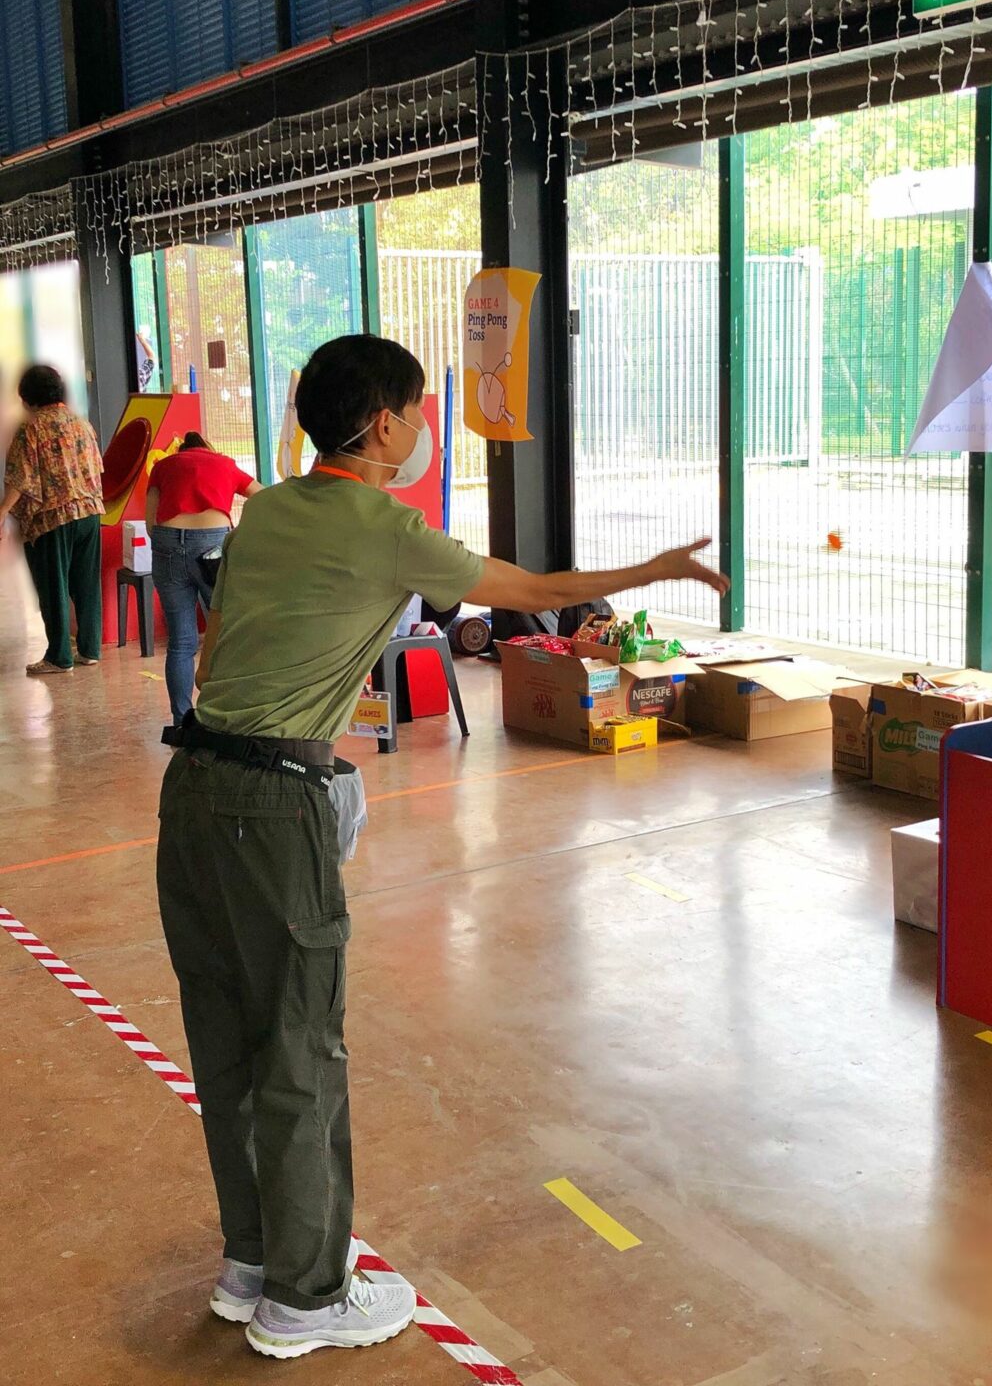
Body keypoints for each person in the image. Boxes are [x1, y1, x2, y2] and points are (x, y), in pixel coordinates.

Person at [155, 334, 728, 1360]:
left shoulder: (268, 510)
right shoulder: (384, 526)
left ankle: (254, 1260)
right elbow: (539, 590)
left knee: (229, 1043)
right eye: (417, 413)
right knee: (298, 1050)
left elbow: (266, 633)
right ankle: (308, 1295)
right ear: (384, 423)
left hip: (191, 792)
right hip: (271, 807)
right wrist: (656, 567)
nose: (424, 431)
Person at [146, 430, 259, 725]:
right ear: (208, 447)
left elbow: (150, 523)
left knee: (181, 641)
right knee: (224, 633)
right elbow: (262, 496)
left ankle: (182, 722)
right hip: (214, 548)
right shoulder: (224, 464)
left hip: (167, 544)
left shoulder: (163, 466)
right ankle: (222, 717)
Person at [0, 363, 104, 676]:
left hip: (53, 517)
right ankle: (90, 649)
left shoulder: (31, 428)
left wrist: (3, 511)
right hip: (88, 513)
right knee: (86, 585)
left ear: (29, 398)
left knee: (53, 586)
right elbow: (98, 468)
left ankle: (59, 656)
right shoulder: (82, 424)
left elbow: (21, 476)